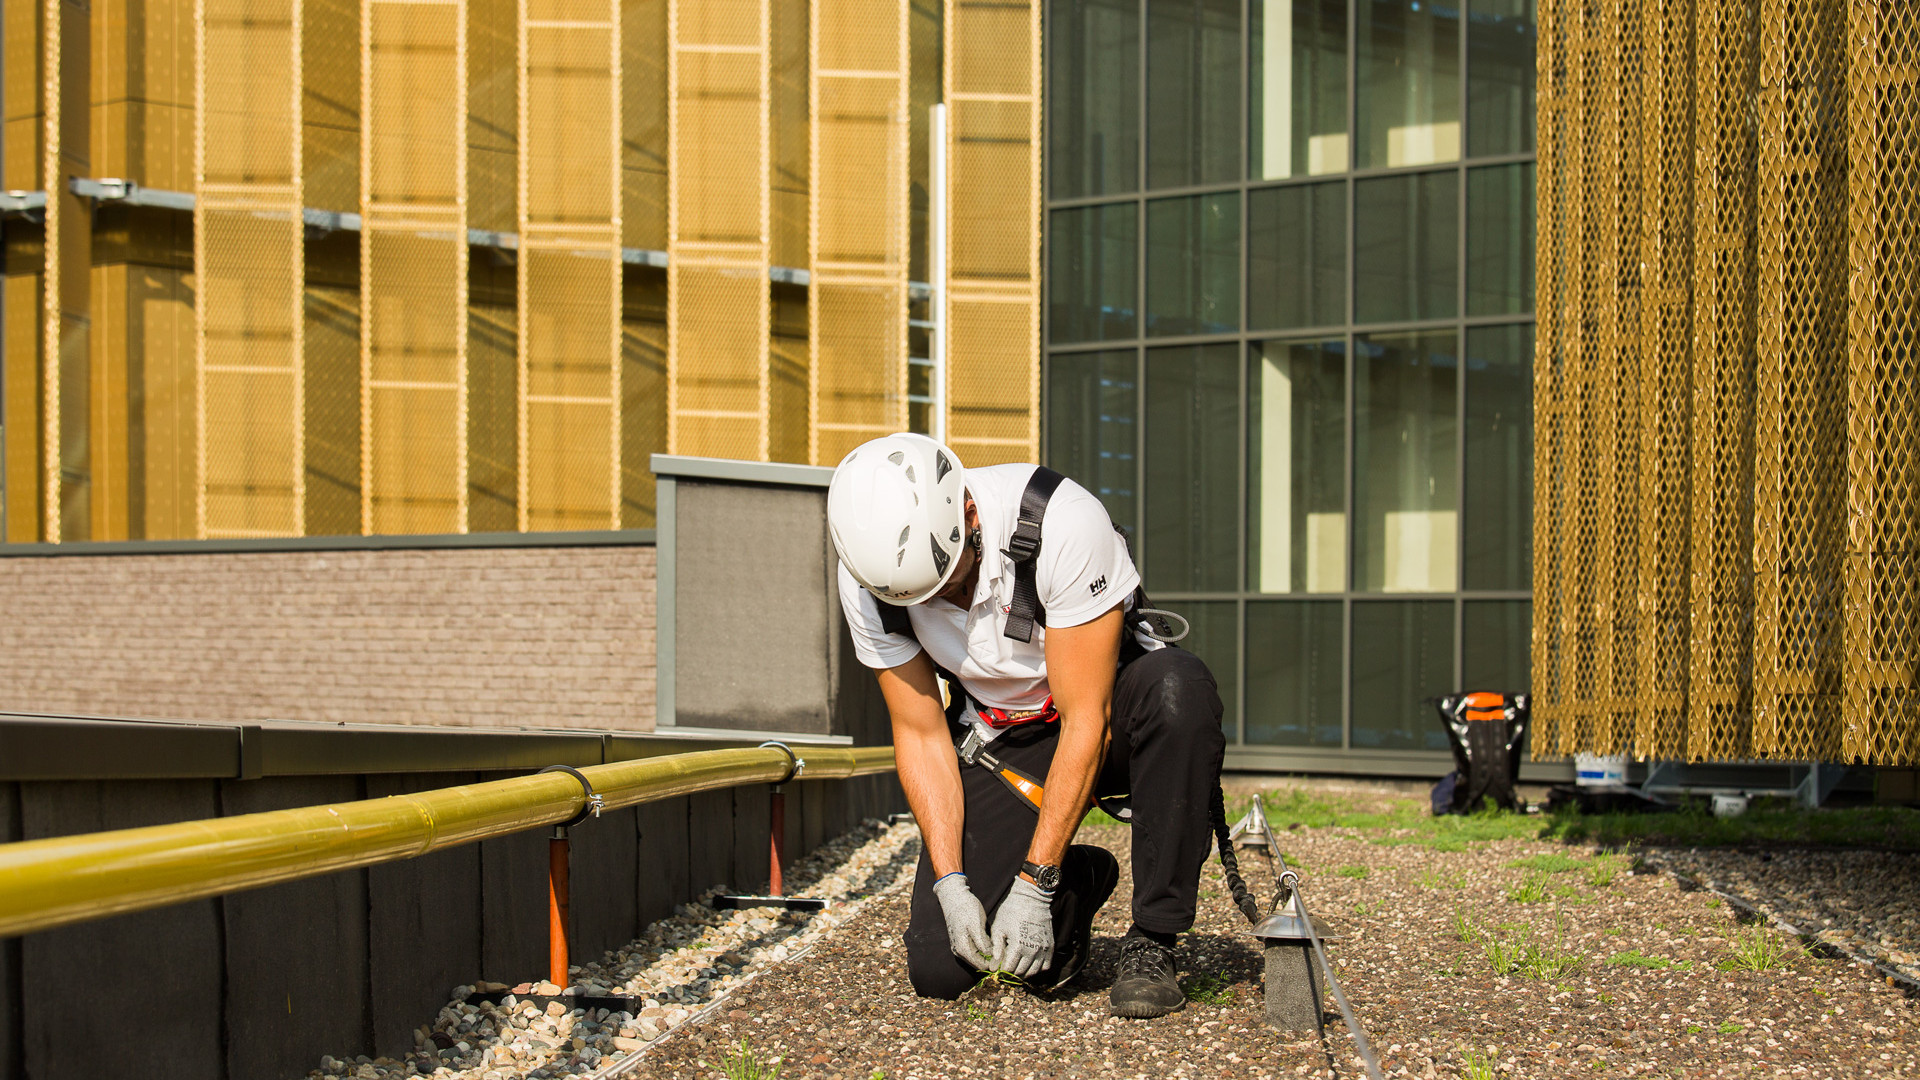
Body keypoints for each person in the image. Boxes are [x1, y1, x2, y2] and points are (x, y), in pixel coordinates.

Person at [826, 432, 1227, 1018]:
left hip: (1105, 714)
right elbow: (919, 733)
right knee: (942, 969)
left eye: (954, 583)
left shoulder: (1061, 521)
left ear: (966, 511)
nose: (947, 604)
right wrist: (951, 884)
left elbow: (1086, 719)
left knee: (1178, 690)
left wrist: (1033, 882)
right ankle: (1080, 880)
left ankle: (1153, 938)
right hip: (999, 738)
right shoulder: (869, 581)